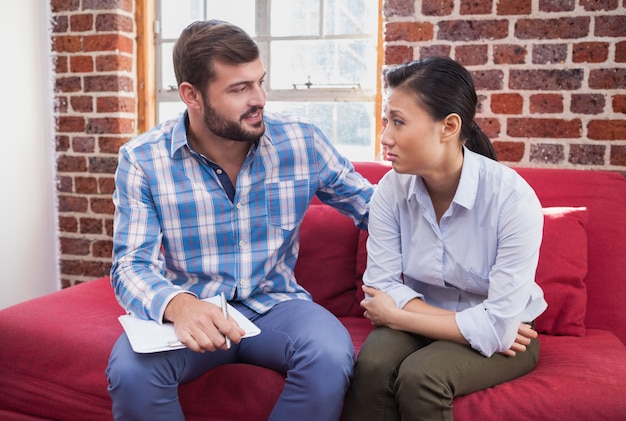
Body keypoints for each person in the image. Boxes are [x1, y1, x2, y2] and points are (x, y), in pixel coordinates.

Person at [105, 20, 374, 421]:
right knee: (130, 371)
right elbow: (131, 264)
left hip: (278, 306)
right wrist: (178, 305)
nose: (259, 99)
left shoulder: (302, 141)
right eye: (239, 89)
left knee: (331, 354)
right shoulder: (143, 160)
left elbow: (378, 210)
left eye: (260, 82)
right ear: (191, 95)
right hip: (196, 309)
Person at [343, 56, 547, 421]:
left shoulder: (512, 200)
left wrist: (399, 316)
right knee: (372, 364)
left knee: (422, 377)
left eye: (399, 122)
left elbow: (502, 328)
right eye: (387, 120)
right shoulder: (391, 189)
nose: (385, 136)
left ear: (449, 126)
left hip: (514, 338)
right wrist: (465, 326)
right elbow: (380, 288)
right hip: (451, 321)